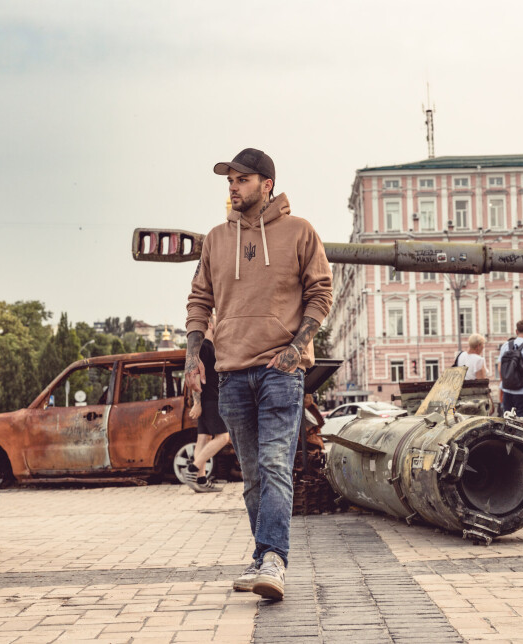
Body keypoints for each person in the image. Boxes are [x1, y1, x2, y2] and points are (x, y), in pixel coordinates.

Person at [185, 148, 333, 601]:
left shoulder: (299, 232)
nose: (233, 187)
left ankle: (273, 560)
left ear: (266, 184)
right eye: (229, 180)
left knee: (273, 464)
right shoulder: (216, 238)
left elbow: (321, 293)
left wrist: (294, 349)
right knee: (251, 475)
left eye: (242, 179)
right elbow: (198, 302)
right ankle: (262, 557)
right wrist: (194, 358)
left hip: (279, 372)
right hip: (230, 372)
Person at [184, 314, 229, 493]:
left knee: (204, 438)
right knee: (224, 437)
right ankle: (192, 469)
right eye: (218, 320)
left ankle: (201, 480)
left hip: (207, 399)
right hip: (209, 399)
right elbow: (194, 375)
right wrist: (197, 403)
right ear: (210, 324)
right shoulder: (204, 347)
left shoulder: (210, 347)